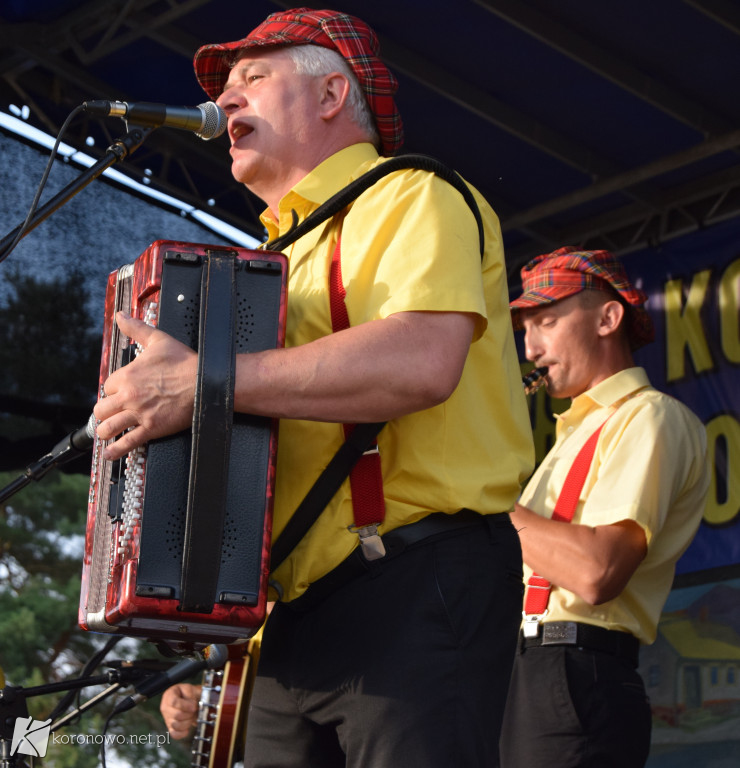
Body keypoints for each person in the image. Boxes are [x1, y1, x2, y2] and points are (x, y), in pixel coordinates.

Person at [93, 8, 535, 767]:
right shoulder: (268, 258)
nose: (226, 103)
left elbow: (420, 361)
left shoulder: (411, 195)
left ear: (332, 95)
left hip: (414, 579)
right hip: (290, 616)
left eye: (252, 80)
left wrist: (201, 381)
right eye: (224, 90)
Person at [499, 246, 710, 768]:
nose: (531, 349)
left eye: (545, 321)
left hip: (574, 670)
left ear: (608, 318)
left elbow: (597, 571)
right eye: (525, 330)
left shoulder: (649, 417)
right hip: (523, 674)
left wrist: (487, 501)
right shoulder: (572, 433)